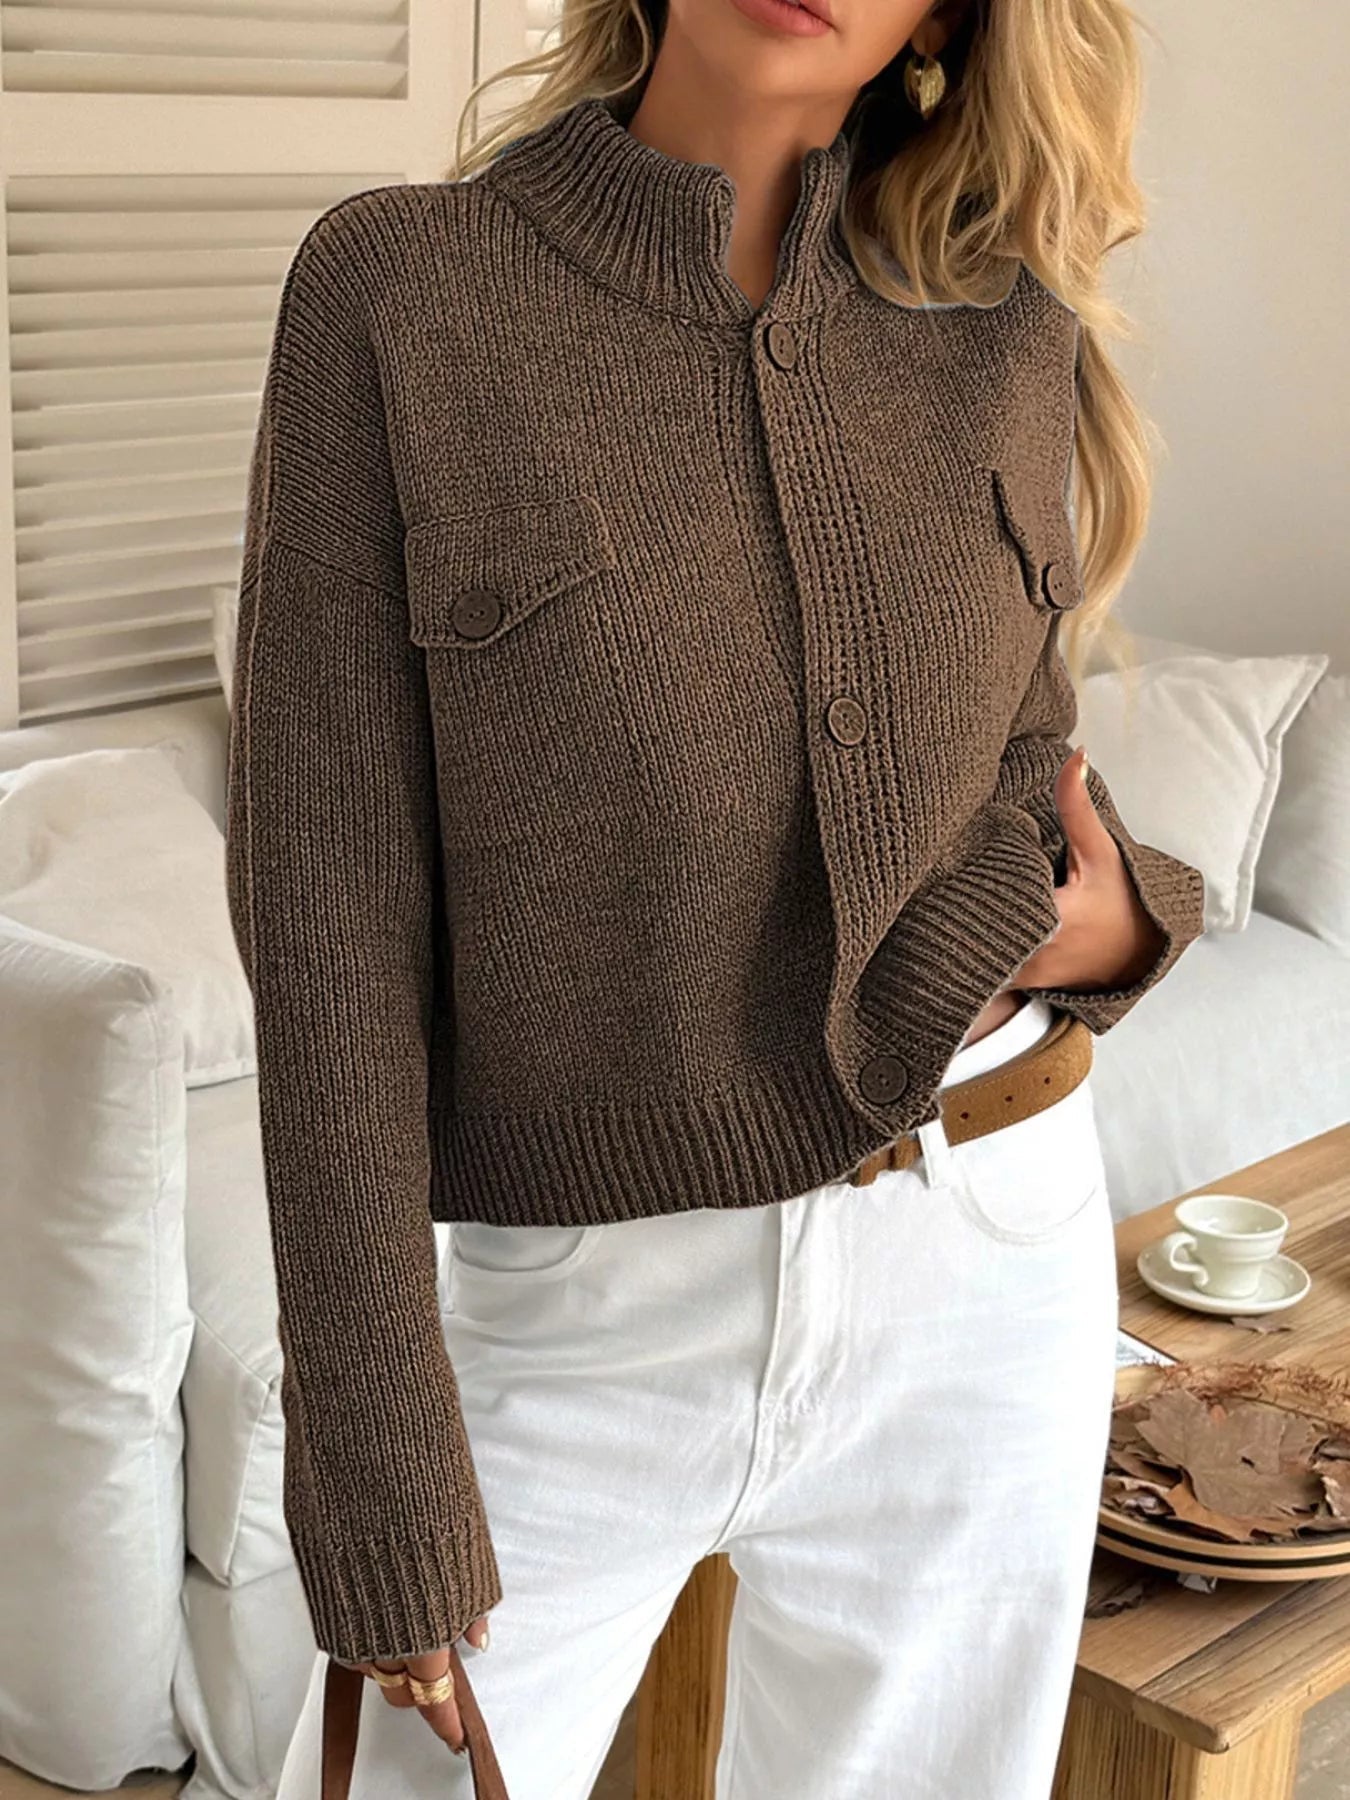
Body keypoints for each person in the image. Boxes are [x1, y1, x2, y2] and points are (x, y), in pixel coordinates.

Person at [224, 0, 1207, 1793]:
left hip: (983, 1253)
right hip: (590, 1305)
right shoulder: (402, 291)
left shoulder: (996, 320)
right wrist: (373, 1474)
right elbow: (327, 930)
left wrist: (1123, 918)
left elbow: (1024, 765)